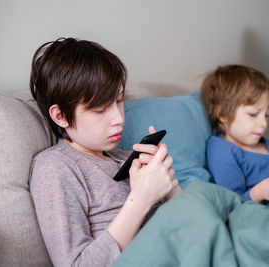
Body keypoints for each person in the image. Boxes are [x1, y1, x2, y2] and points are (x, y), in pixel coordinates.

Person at [28, 37, 182, 267]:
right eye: (100, 110)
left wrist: (168, 185)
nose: (119, 119)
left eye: (119, 101)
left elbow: (193, 221)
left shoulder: (128, 159)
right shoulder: (55, 167)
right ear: (60, 116)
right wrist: (141, 199)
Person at [201, 64, 269, 204]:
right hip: (263, 215)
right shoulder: (222, 149)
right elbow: (232, 203)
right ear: (222, 114)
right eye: (253, 114)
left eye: (266, 115)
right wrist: (258, 193)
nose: (263, 123)